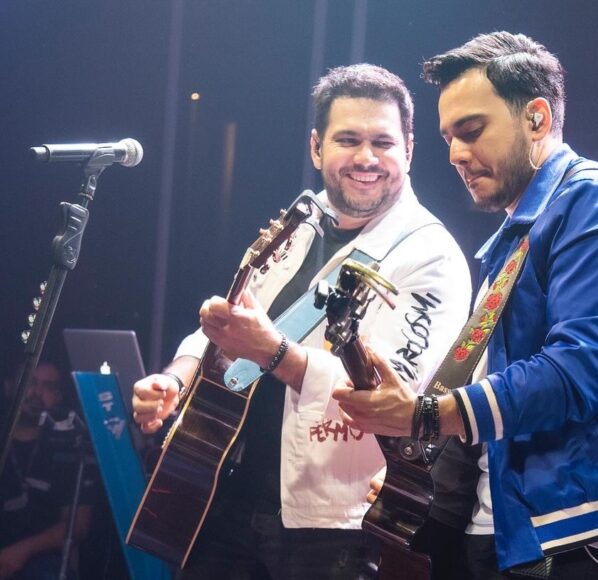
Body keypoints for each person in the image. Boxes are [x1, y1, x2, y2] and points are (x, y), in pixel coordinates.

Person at [334, 32, 598, 579]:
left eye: (471, 131)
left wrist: (424, 415)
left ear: (536, 118)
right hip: (501, 520)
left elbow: (577, 371)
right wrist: (430, 463)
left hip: (567, 527)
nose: (456, 154)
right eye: (447, 138)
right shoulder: (520, 229)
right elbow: (498, 378)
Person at [131, 63, 472, 579]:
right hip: (224, 492)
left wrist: (274, 354)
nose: (365, 157)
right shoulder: (300, 219)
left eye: (382, 142)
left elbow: (396, 394)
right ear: (317, 147)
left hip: (333, 525)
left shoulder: (432, 255)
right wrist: (175, 377)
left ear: (409, 149)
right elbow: (229, 325)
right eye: (348, 139)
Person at [0, 362, 95, 580]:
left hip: (41, 561)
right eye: (31, 382)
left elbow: (79, 525)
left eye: (48, 386)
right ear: (9, 386)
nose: (37, 392)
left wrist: (23, 551)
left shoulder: (71, 446)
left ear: (59, 396)